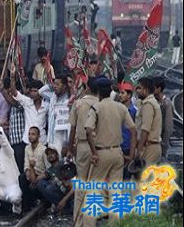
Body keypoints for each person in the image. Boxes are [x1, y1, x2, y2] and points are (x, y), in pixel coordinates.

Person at [82, 77, 137, 227]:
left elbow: (88, 130)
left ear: (99, 92)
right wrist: (131, 154)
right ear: (111, 91)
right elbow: (133, 130)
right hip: (118, 153)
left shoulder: (97, 108)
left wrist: (94, 152)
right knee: (116, 193)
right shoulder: (121, 107)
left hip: (102, 153)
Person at [67, 77, 98, 222]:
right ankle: (90, 220)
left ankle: (78, 221)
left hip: (83, 146)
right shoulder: (101, 104)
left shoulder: (78, 104)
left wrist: (70, 148)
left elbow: (72, 128)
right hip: (99, 148)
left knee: (81, 184)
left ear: (87, 88)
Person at [37, 144, 74, 214]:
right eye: (48, 154)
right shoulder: (49, 171)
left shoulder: (64, 164)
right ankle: (62, 207)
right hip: (61, 194)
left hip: (71, 196)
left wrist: (64, 200)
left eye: (52, 153)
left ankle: (65, 207)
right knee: (41, 184)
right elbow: (37, 179)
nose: (50, 155)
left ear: (57, 155)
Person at [135, 77, 162, 165]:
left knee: (143, 177)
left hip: (149, 147)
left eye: (139, 88)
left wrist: (139, 150)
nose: (136, 90)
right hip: (151, 146)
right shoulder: (151, 102)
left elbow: (145, 129)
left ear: (145, 90)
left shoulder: (148, 105)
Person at [39, 75, 70, 152]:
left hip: (62, 143)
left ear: (64, 86)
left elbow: (68, 125)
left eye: (58, 84)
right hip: (50, 140)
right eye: (54, 84)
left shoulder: (69, 101)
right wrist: (50, 85)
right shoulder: (52, 97)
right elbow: (40, 92)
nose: (55, 86)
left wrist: (66, 144)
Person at [19, 127, 46, 211]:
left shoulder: (44, 149)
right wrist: (28, 173)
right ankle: (28, 206)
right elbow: (26, 164)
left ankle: (43, 202)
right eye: (29, 134)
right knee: (22, 178)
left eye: (33, 134)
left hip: (41, 176)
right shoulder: (27, 148)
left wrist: (37, 179)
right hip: (31, 174)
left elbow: (48, 169)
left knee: (39, 184)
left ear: (38, 136)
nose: (30, 136)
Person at [153, 77, 174, 160]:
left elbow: (168, 127)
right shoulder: (153, 101)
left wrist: (164, 146)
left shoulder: (166, 103)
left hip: (161, 143)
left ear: (159, 89)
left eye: (153, 88)